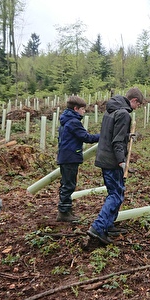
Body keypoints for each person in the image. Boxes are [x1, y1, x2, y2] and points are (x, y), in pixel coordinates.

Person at [87, 87, 144, 246]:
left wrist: (128, 135)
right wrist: (122, 161)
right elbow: (117, 142)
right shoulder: (124, 114)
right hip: (112, 161)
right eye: (138, 104)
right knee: (116, 195)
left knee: (116, 191)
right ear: (134, 101)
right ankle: (98, 227)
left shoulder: (111, 111)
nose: (137, 108)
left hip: (104, 158)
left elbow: (114, 134)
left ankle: (109, 225)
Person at [56, 95, 100, 224]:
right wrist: (103, 135)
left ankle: (66, 210)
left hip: (66, 156)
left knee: (67, 183)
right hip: (70, 157)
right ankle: (63, 212)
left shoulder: (66, 120)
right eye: (82, 109)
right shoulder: (73, 122)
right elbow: (86, 137)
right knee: (68, 185)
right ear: (76, 109)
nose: (84, 111)